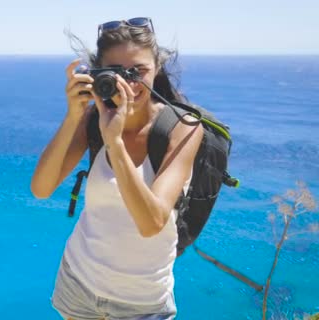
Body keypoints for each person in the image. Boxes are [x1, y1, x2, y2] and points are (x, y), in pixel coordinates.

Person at [30, 17, 203, 320]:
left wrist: (116, 144)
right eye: (117, 72)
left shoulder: (183, 128)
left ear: (157, 68)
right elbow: (41, 189)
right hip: (79, 282)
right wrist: (75, 116)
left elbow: (151, 223)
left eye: (138, 71)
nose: (129, 83)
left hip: (143, 302)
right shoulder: (92, 122)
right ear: (98, 74)